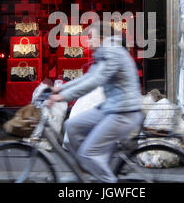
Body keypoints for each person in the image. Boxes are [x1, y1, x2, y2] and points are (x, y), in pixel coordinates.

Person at [46, 21, 143, 183]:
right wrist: (60, 89)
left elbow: (96, 81)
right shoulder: (104, 52)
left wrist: (63, 96)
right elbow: (88, 77)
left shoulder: (112, 51)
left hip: (124, 112)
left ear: (102, 38)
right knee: (71, 126)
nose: (88, 41)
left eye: (91, 37)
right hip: (111, 108)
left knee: (87, 152)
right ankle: (84, 172)